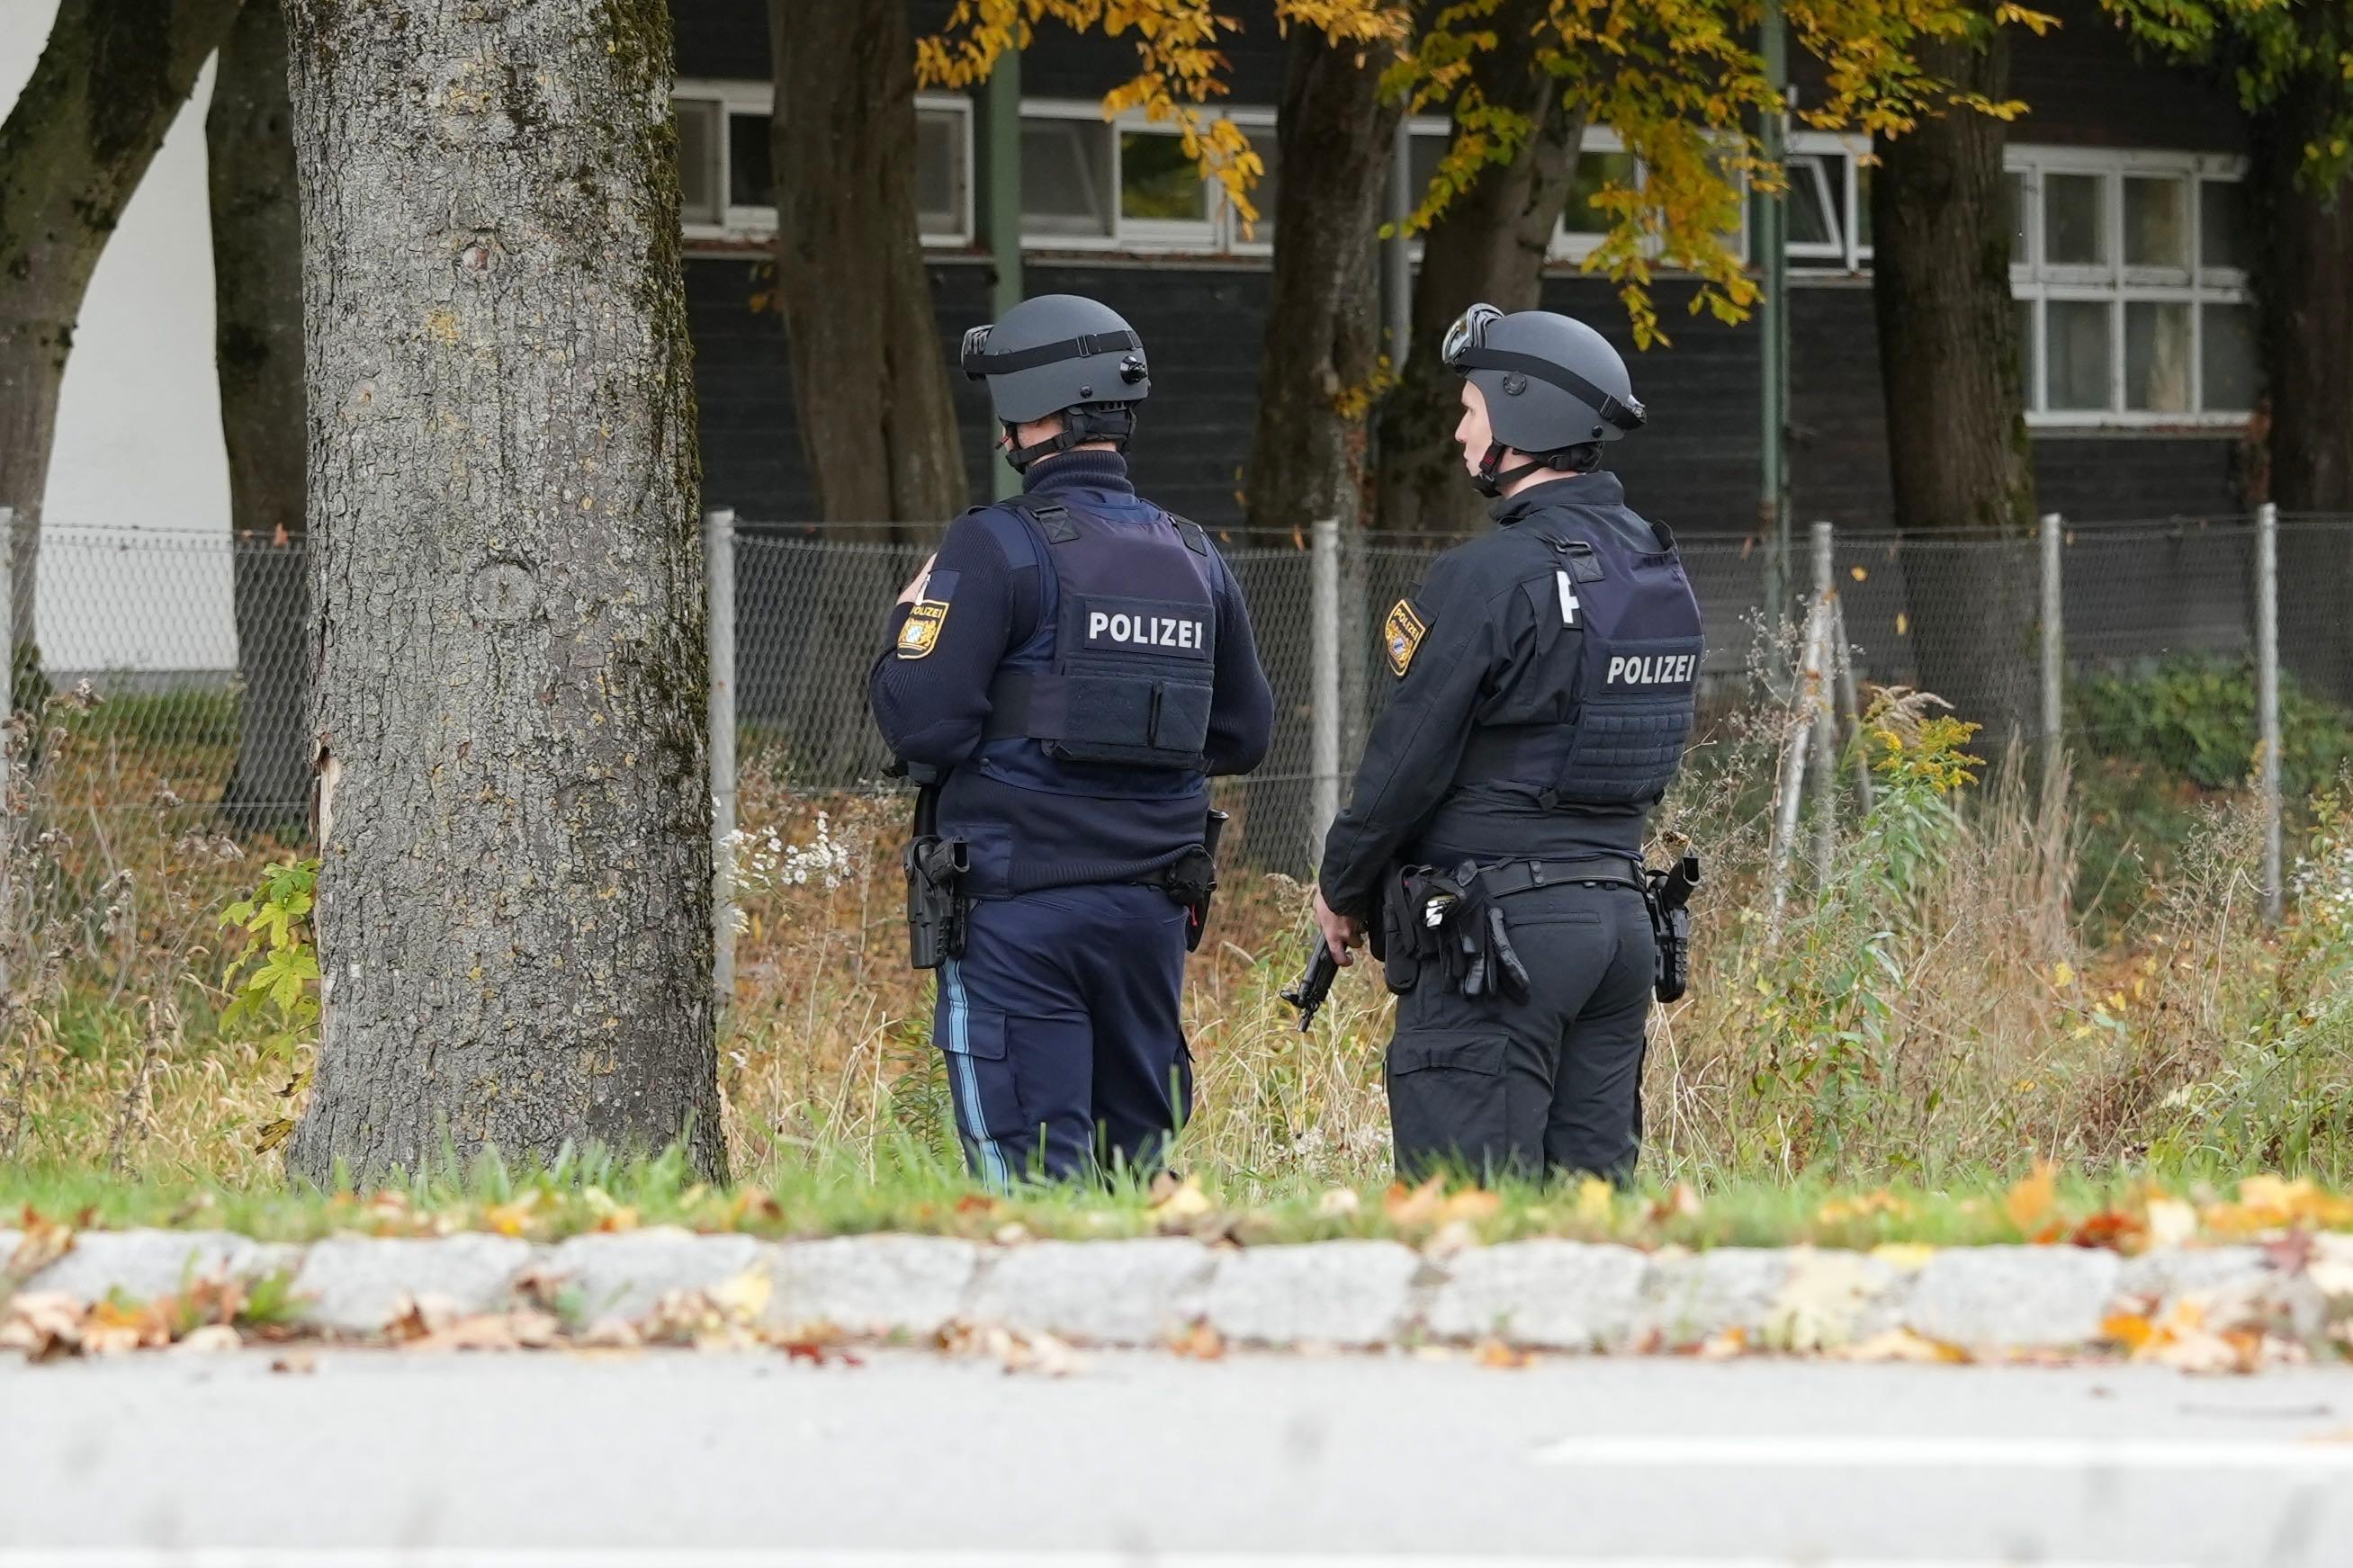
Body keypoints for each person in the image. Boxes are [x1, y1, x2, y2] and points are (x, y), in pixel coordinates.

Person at [869, 293, 1273, 1185]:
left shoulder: (994, 545)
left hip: (1018, 918)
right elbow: (1244, 734)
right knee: (1137, 1177)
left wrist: (906, 620)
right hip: (1148, 922)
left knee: (1031, 1189)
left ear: (1031, 410)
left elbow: (923, 720)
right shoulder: (1194, 553)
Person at [1309, 304, 1702, 1185]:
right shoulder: (1653, 568)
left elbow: (1405, 760)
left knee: (1468, 1215)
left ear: (1523, 414)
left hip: (1500, 941)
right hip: (1617, 926)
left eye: (1471, 410)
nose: (1459, 432)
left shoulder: (1489, 575)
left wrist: (1342, 886)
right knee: (1588, 1218)